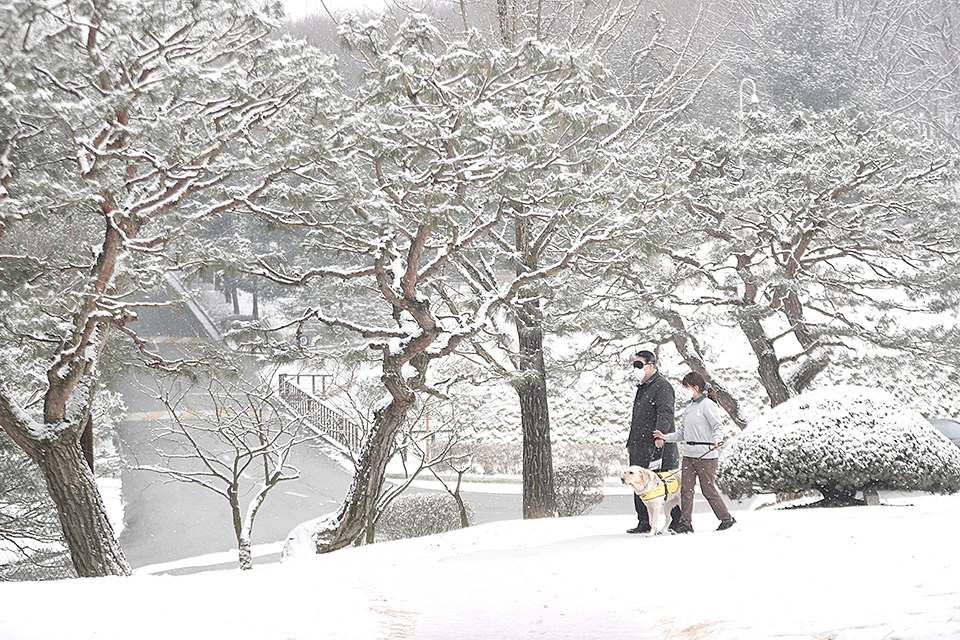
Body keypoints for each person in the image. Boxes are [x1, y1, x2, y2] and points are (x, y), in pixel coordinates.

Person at [654, 371, 736, 533]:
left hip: (706, 455)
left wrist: (717, 439)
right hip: (689, 454)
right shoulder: (690, 408)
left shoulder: (708, 405)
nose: (686, 390)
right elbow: (682, 434)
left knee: (707, 489)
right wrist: (665, 437)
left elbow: (718, 427)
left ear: (696, 387)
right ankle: (686, 523)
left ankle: (726, 519)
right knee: (686, 489)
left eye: (688, 387)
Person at [625, 350, 680, 534]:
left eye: (639, 365)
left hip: (656, 446)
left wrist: (660, 436)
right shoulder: (642, 387)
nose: (636, 369)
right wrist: (630, 442)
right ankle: (644, 522)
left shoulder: (662, 386)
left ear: (651, 365)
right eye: (634, 365)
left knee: (663, 485)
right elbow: (637, 419)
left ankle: (676, 521)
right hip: (639, 446)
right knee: (637, 483)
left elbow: (665, 413)